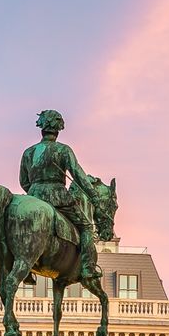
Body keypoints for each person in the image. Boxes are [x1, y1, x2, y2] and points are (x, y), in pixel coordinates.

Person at [19, 109, 99, 281]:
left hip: (33, 196)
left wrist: (35, 193)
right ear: (58, 130)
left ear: (41, 128)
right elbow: (78, 175)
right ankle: (87, 268)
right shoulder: (63, 150)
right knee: (86, 227)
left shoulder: (28, 152)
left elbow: (23, 181)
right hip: (58, 197)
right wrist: (94, 196)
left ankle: (24, 268)